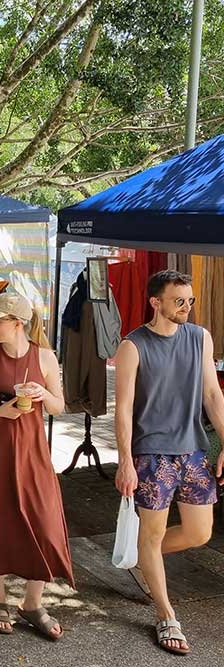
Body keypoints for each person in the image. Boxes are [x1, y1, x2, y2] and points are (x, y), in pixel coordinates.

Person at [113, 270, 224, 656]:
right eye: (180, 301)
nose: (187, 308)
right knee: (153, 535)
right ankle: (166, 614)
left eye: (190, 300)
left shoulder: (200, 338)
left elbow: (212, 393)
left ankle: (143, 558)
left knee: (199, 533)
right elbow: (123, 411)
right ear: (155, 302)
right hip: (150, 453)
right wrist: (125, 461)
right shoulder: (133, 345)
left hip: (193, 448)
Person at [0, 291, 73, 640]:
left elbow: (58, 407)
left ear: (17, 324)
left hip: (34, 453)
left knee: (45, 521)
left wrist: (42, 393)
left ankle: (33, 603)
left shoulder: (46, 358)